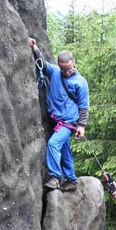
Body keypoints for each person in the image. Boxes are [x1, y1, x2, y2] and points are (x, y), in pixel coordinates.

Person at [29, 38, 89, 191]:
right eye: (64, 69)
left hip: (69, 123)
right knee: (64, 149)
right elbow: (42, 64)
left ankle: (55, 177)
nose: (67, 72)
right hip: (57, 121)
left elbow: (83, 106)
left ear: (73, 63)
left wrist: (81, 126)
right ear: (59, 66)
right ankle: (71, 180)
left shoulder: (80, 82)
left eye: (69, 68)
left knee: (54, 144)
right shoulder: (55, 72)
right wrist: (35, 48)